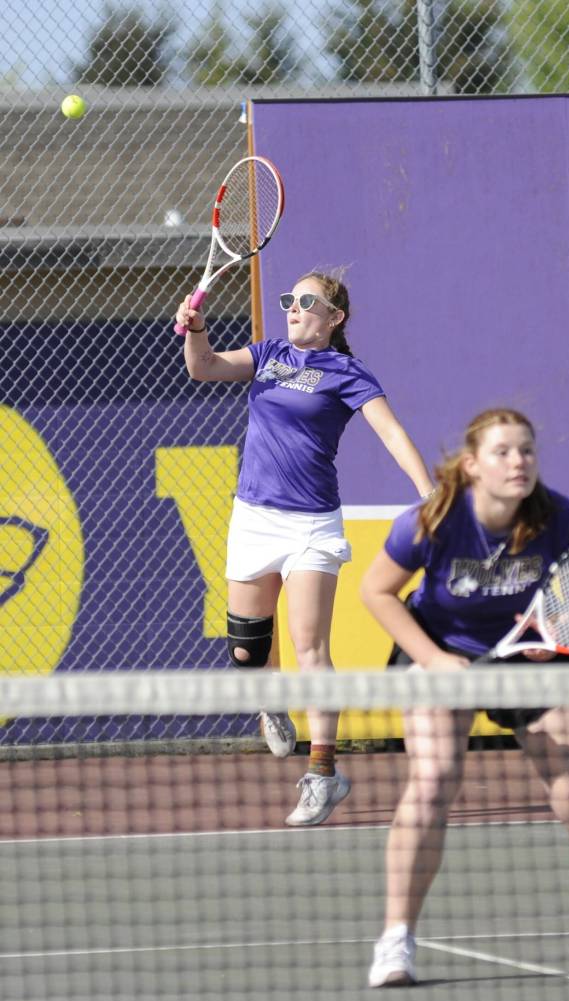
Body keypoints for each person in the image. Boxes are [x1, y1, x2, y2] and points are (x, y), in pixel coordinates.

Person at [360, 408, 569, 987]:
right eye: (503, 452)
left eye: (526, 450)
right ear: (472, 465)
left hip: (531, 661)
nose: (519, 462)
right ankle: (396, 939)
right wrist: (433, 660)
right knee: (432, 783)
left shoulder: (556, 518)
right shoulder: (432, 520)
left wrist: (560, 636)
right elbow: (376, 592)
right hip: (442, 652)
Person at [176, 270, 433, 827]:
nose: (293, 308)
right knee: (246, 652)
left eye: (306, 301)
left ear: (334, 317)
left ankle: (323, 774)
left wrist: (428, 492)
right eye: (289, 300)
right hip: (253, 519)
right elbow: (204, 367)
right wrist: (195, 329)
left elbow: (390, 432)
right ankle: (272, 698)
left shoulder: (347, 373)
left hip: (312, 526)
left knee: (310, 646)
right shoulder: (268, 353)